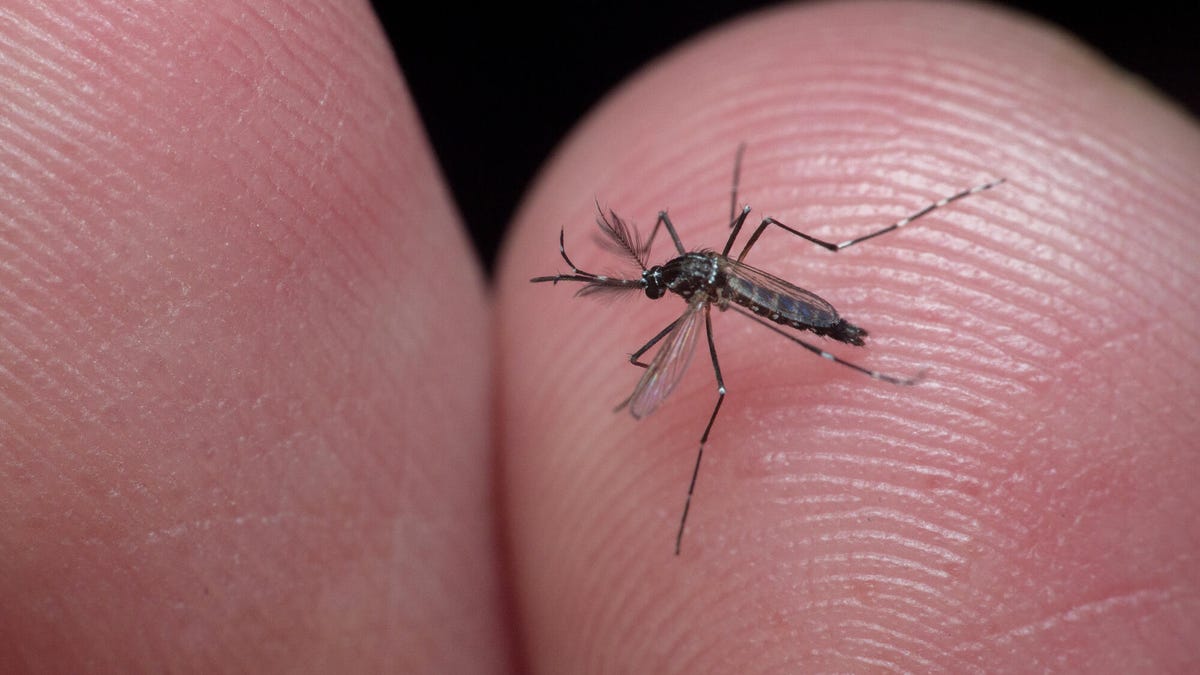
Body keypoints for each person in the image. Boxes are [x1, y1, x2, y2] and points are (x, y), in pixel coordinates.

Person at [2, 2, 1195, 672]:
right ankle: (872, 319)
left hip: (777, 291)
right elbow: (672, 289)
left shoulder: (698, 294)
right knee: (736, 324)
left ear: (672, 278)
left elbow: (673, 358)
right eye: (663, 289)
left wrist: (687, 356)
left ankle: (879, 328)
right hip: (734, 270)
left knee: (739, 365)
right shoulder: (686, 266)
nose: (660, 301)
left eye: (656, 287)